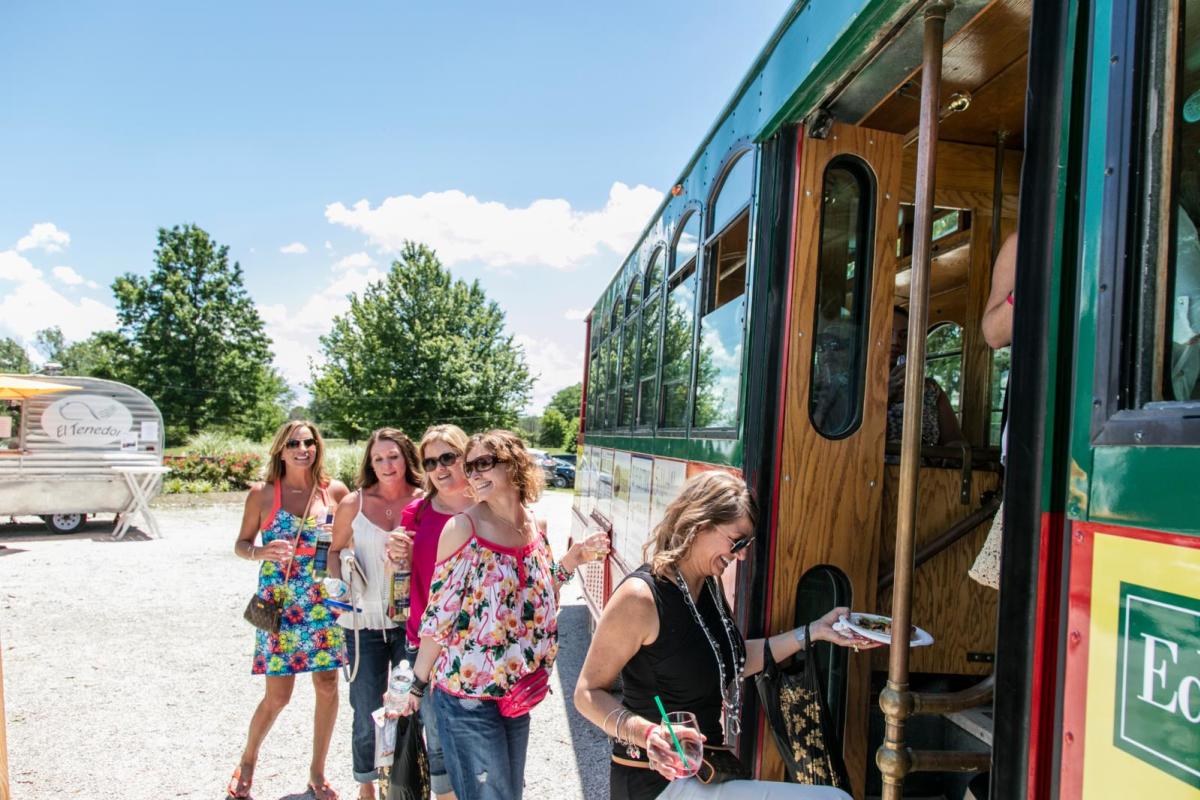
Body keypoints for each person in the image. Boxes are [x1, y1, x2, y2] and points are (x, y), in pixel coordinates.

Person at [573, 471, 875, 800]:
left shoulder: (708, 588)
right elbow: (586, 693)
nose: (742, 554)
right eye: (738, 541)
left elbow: (732, 659)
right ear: (699, 524)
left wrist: (814, 631)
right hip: (656, 782)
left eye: (748, 544)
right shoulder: (640, 597)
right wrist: (647, 733)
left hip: (707, 772)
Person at [398, 429, 607, 800]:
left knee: (508, 794)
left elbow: (537, 599)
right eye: (470, 466)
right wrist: (416, 684)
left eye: (484, 463)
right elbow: (439, 617)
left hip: (515, 690)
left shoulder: (535, 526)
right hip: (468, 694)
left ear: (514, 465)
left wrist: (574, 560)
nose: (475, 474)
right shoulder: (463, 527)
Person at [229, 420, 351, 800]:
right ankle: (248, 760)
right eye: (294, 443)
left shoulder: (335, 492)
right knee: (278, 696)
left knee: (328, 686)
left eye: (310, 442)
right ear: (281, 450)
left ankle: (317, 773)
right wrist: (260, 552)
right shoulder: (262, 494)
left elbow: (348, 545)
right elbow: (240, 544)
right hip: (274, 602)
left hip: (321, 602)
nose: (303, 449)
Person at [328, 428, 424, 800]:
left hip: (408, 622)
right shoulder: (353, 503)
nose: (386, 464)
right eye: (379, 458)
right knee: (365, 706)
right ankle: (366, 783)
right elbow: (334, 552)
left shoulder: (425, 501)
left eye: (393, 456)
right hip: (363, 623)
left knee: (407, 708)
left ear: (406, 459)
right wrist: (344, 581)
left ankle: (403, 784)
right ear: (370, 462)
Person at [384, 423, 477, 800]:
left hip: (478, 646)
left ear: (466, 458)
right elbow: (400, 578)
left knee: (478, 738)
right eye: (431, 462)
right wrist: (394, 557)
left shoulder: (489, 506)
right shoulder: (416, 512)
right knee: (437, 740)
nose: (440, 468)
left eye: (448, 458)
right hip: (425, 644)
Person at [886, 306, 966, 447]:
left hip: (926, 468)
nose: (895, 342)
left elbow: (954, 439)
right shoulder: (853, 387)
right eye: (888, 333)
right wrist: (886, 396)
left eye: (903, 336)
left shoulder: (930, 389)